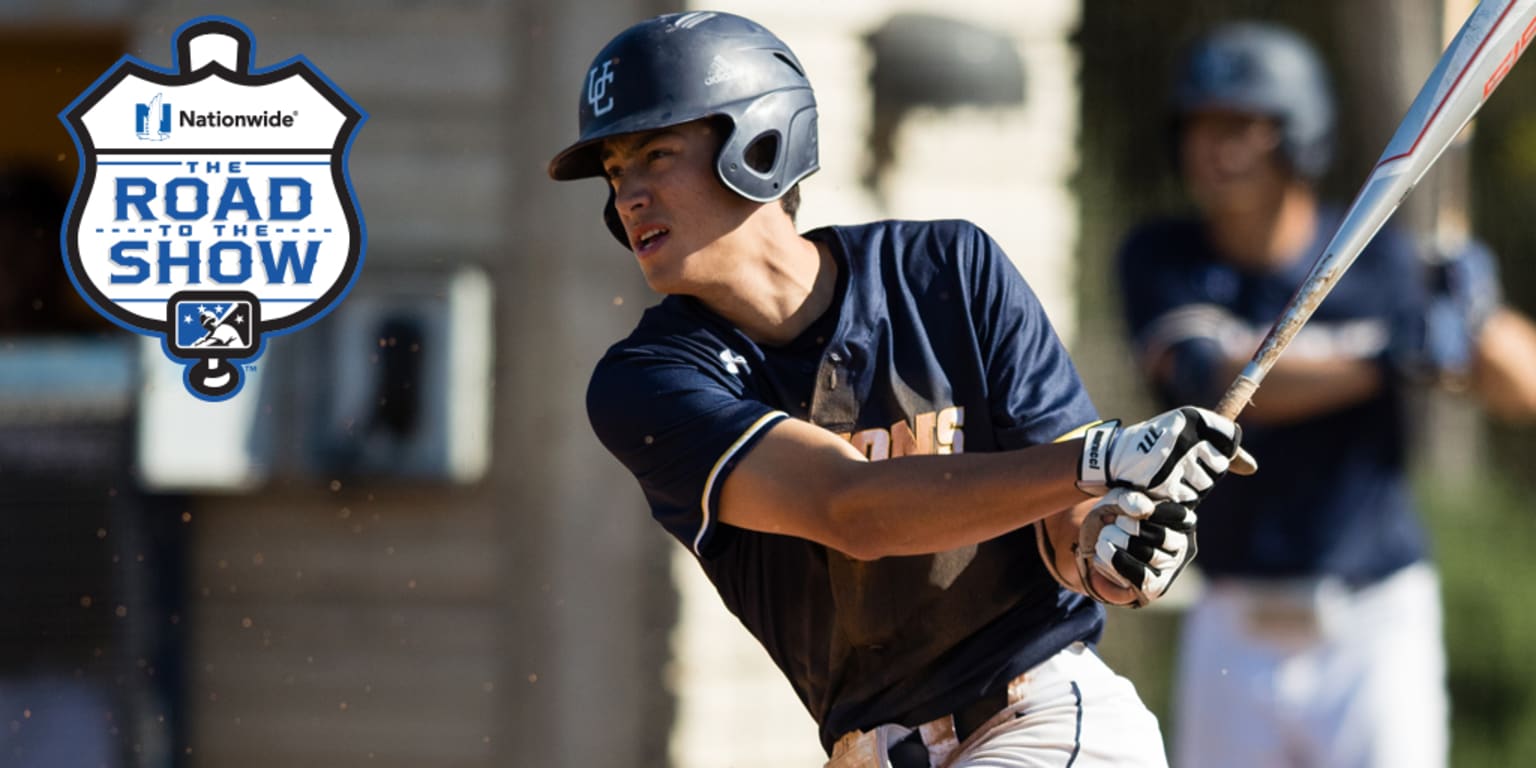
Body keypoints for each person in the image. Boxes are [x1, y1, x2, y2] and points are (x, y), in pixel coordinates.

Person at [549, 11, 1250, 768]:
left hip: (1037, 722)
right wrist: (1102, 461)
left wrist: (1112, 546)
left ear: (759, 142)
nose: (630, 195)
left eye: (657, 153)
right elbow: (849, 508)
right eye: (618, 171)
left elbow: (1069, 525)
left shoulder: (947, 271)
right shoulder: (648, 380)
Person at [1116, 21, 1536, 768]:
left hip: (1373, 627)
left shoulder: (1384, 262)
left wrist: (1476, 316)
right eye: (1201, 124)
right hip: (1233, 622)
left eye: (1240, 124)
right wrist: (1389, 356)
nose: (1213, 145)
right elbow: (1220, 383)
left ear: (1297, 133)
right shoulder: (1163, 258)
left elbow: (1522, 390)